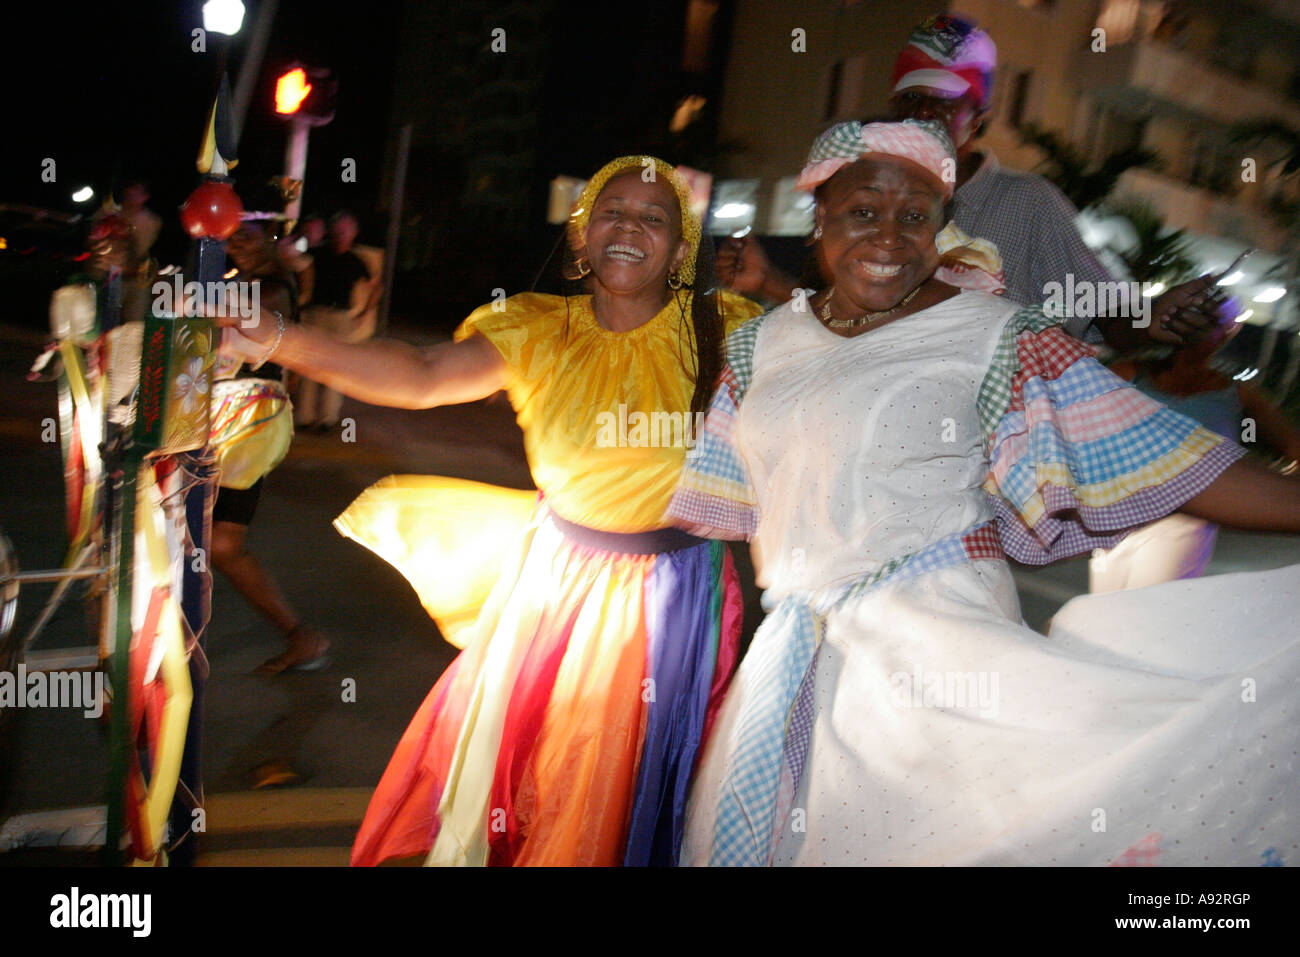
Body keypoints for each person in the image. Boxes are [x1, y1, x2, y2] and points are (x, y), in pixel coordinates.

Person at [671, 119, 1300, 866]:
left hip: (937, 651)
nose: (890, 235)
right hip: (791, 665)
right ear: (819, 220)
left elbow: (1176, 457)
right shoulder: (757, 345)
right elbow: (760, 504)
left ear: (942, 229)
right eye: (863, 211)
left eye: (917, 216)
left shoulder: (996, 334)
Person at [218, 155, 762, 866]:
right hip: (555, 589)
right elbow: (420, 374)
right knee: (539, 774)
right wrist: (280, 339)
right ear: (581, 236)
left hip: (675, 598)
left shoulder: (731, 328)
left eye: (652, 217)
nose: (629, 226)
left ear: (682, 249)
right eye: (611, 211)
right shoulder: (536, 327)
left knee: (627, 790)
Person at [717, 13, 1221, 353]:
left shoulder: (1028, 204)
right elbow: (839, 325)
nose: (924, 115)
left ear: (978, 116)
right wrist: (770, 283)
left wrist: (1151, 318)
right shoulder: (864, 201)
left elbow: (1100, 309)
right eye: (912, 100)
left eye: (943, 102)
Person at [1089, 309, 1300, 591]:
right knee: (1102, 613)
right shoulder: (1129, 374)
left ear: (1227, 333)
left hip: (1182, 525)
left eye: (1216, 324)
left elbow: (1290, 444)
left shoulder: (1236, 394)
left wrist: (1259, 487)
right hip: (1119, 518)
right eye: (1197, 319)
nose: (1202, 331)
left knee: (1139, 615)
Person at [213, 220, 330, 675]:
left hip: (246, 419)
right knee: (221, 545)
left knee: (197, 535)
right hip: (234, 419)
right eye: (230, 235)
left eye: (247, 233)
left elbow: (256, 313)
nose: (236, 241)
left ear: (272, 240)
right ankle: (304, 638)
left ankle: (158, 653)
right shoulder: (242, 282)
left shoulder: (274, 286)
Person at [294, 210, 375, 432]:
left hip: (340, 317)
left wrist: (364, 312)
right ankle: (305, 417)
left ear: (353, 233)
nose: (341, 234)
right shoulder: (316, 254)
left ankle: (326, 419)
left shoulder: (355, 260)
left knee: (335, 369)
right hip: (314, 314)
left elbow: (374, 285)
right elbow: (297, 269)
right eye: (338, 229)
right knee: (308, 367)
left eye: (346, 230)